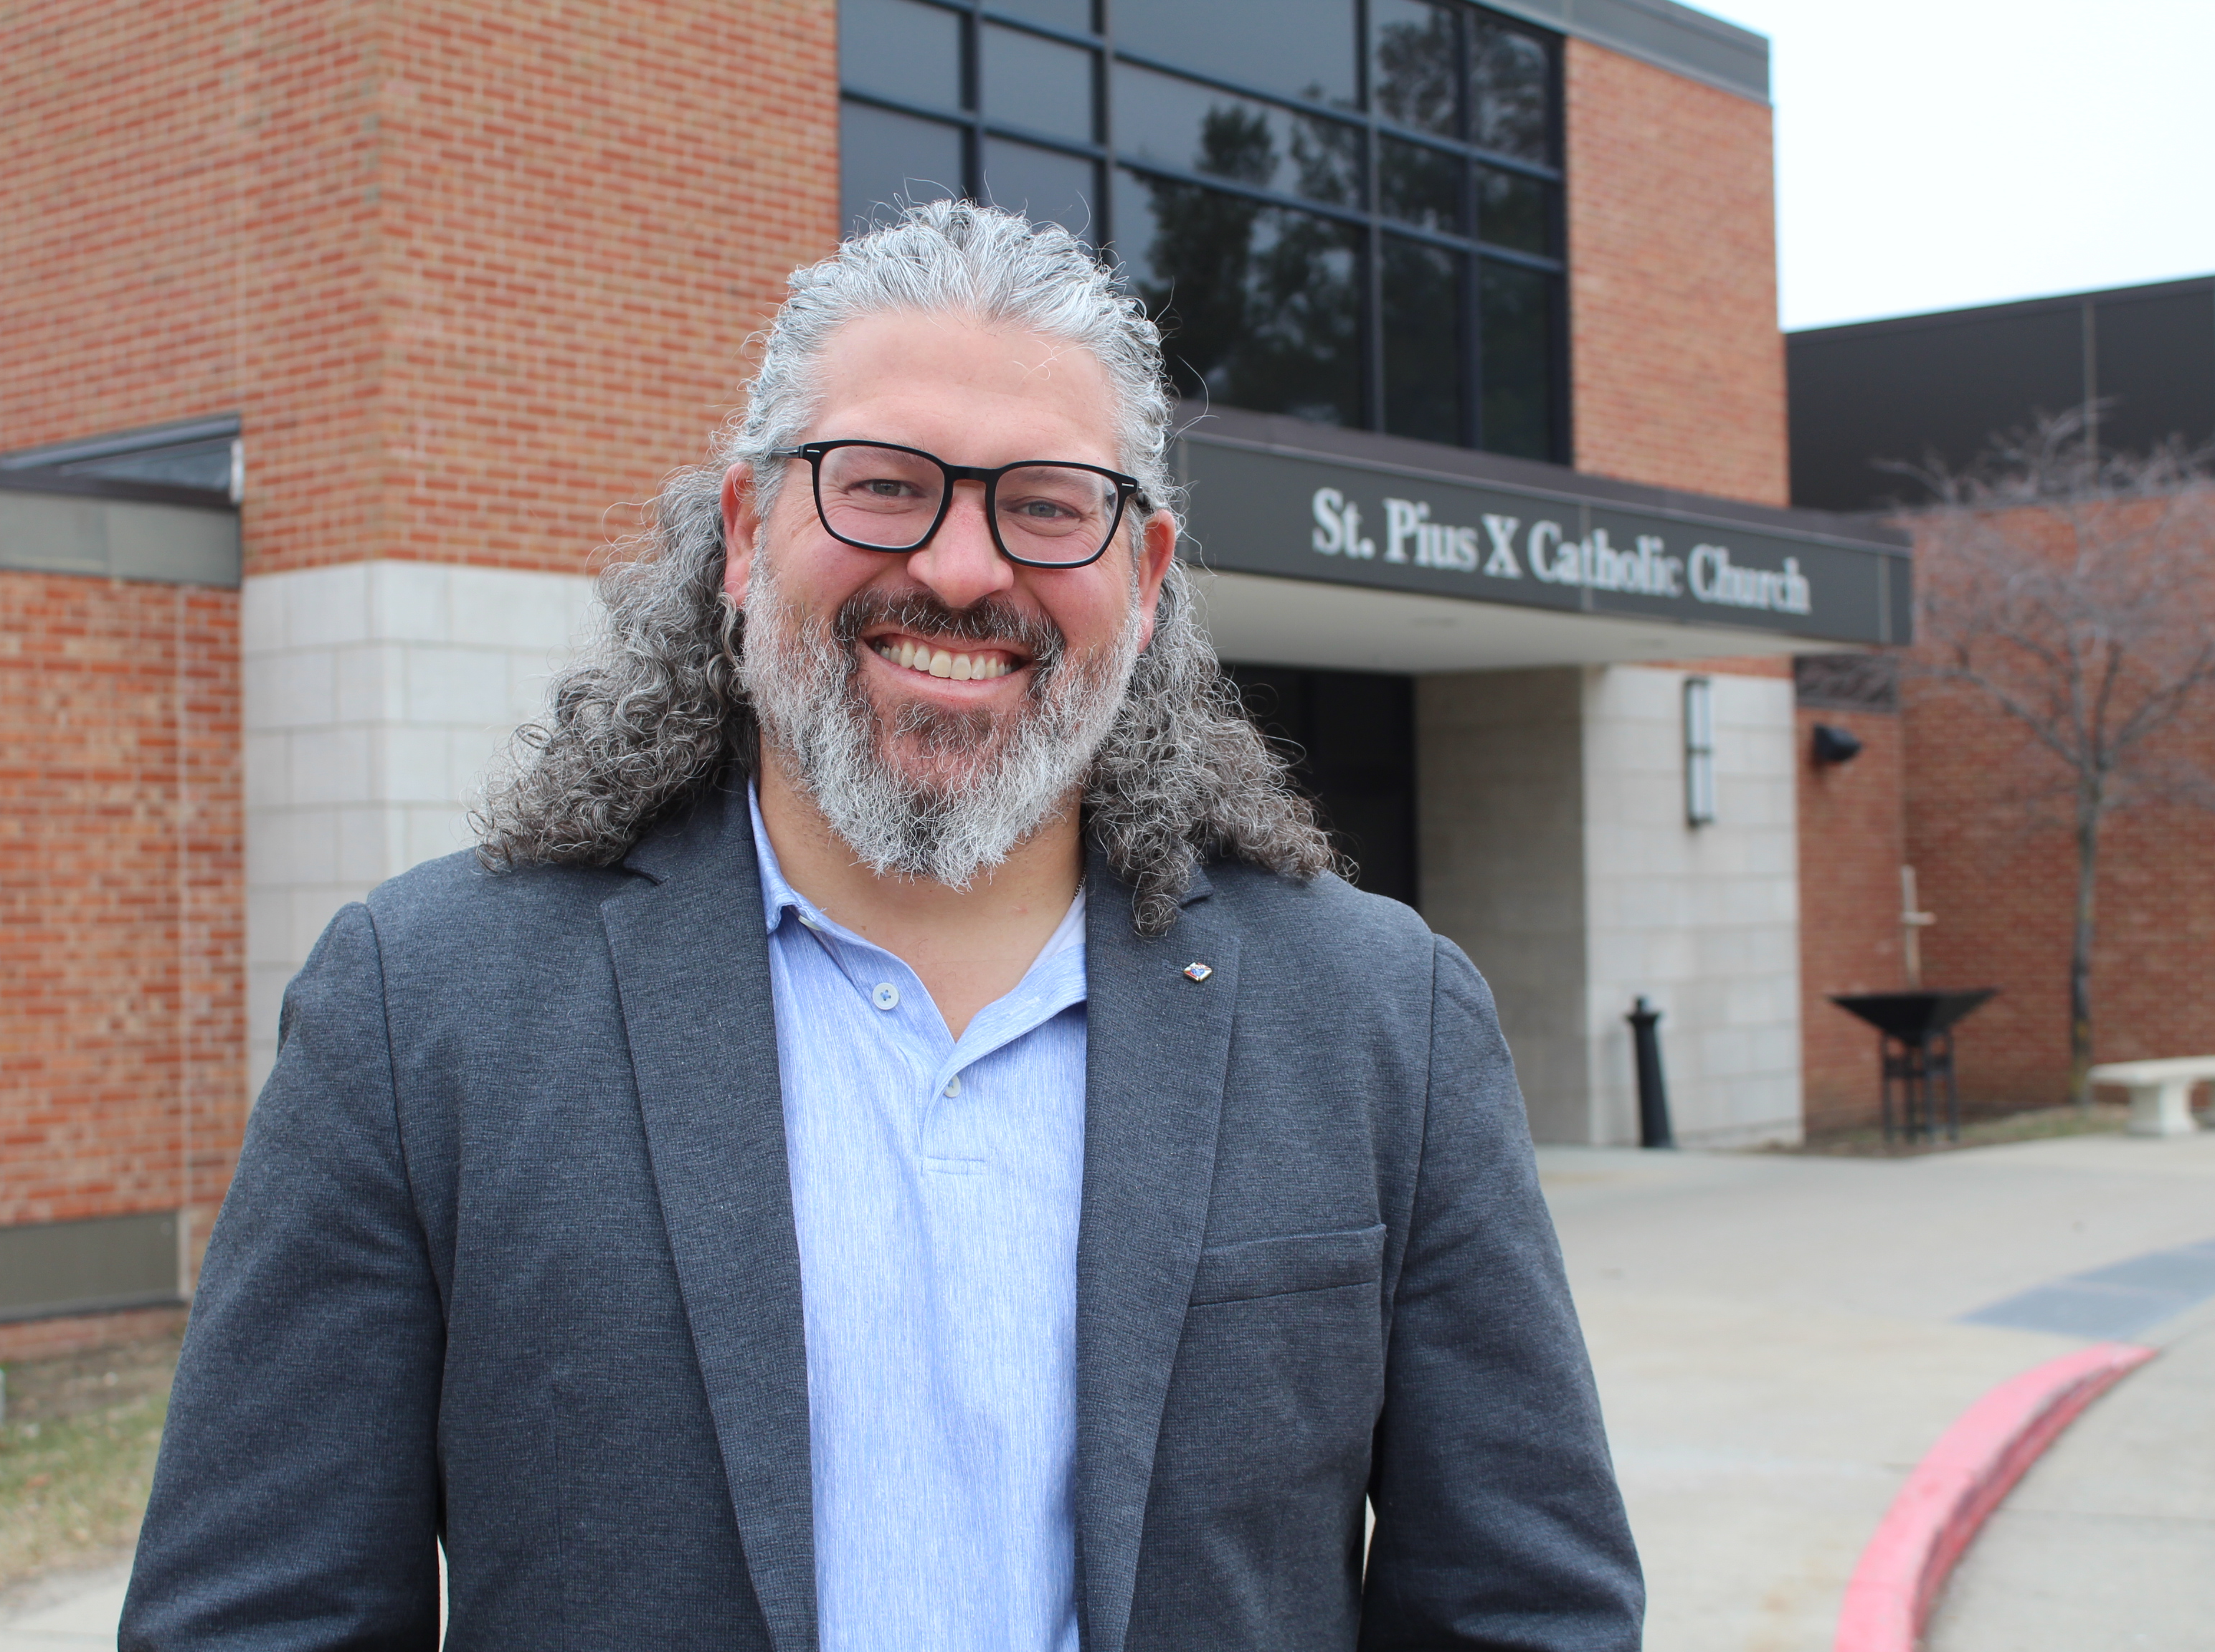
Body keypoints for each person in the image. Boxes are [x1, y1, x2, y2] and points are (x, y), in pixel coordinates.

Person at [123, 201, 1642, 1652]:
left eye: (1048, 505)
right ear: (743, 530)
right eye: (881, 484)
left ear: (1145, 571)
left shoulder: (1382, 1019)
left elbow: (1526, 1610)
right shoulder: (425, 1013)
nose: (962, 569)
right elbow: (259, 1618)